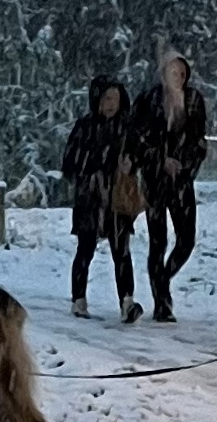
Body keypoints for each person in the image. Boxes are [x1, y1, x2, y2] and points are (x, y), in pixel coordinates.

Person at [126, 51, 208, 323]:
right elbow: (136, 139)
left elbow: (199, 141)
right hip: (155, 181)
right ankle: (162, 302)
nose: (179, 78)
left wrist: (184, 165)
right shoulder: (148, 101)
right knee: (157, 241)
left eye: (183, 73)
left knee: (187, 240)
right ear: (163, 74)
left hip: (182, 181)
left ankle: (162, 277)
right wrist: (160, 160)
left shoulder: (194, 101)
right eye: (174, 72)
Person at [61, 77, 143, 323]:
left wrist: (131, 164)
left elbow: (139, 155)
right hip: (90, 197)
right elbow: (69, 163)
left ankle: (127, 301)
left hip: (117, 197)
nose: (111, 104)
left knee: (122, 251)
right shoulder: (84, 126)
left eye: (115, 99)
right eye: (107, 98)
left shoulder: (127, 128)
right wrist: (94, 164)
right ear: (97, 99)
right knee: (85, 249)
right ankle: (79, 299)